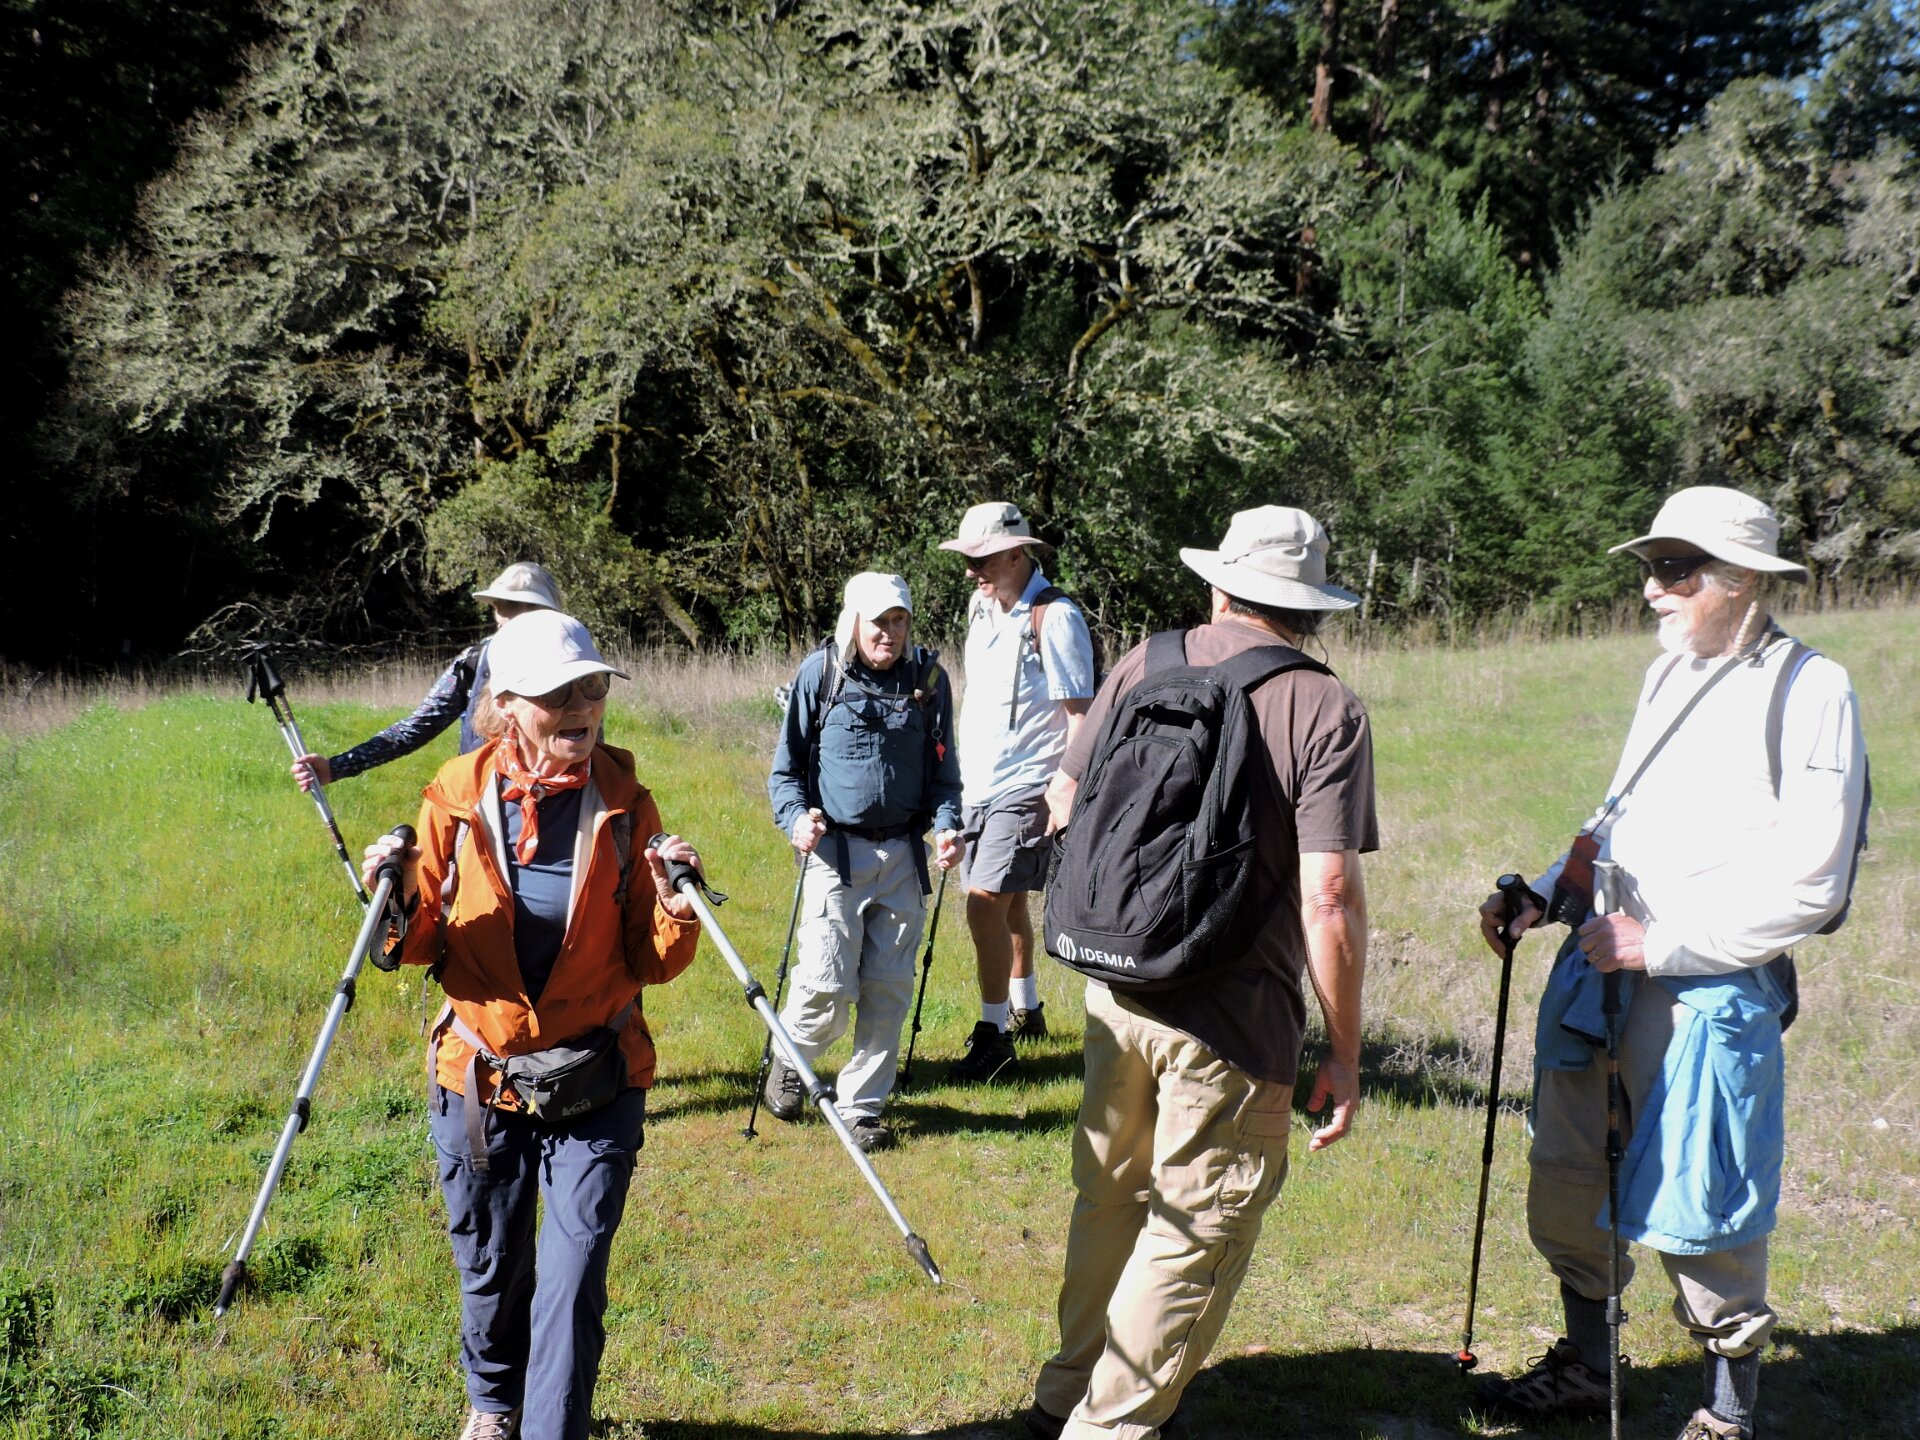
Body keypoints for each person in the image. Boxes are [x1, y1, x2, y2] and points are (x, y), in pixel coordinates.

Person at [1474, 486, 1869, 1440]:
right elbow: (1619, 818)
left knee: (1707, 1205)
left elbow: (1816, 889)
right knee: (1568, 1183)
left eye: (1674, 570)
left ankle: (1725, 1417)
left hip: (1707, 996)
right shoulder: (1667, 674)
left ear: (1740, 579)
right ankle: (1585, 1368)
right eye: (1651, 568)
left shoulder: (1813, 690)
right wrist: (1547, 893)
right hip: (1600, 976)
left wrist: (1664, 943)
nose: (1652, 589)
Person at [1027, 505, 1377, 1439]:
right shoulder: (1325, 707)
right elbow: (1329, 895)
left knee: (1108, 1198)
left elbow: (1063, 800)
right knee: (1194, 1232)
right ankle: (1107, 1430)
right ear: (1312, 608)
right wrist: (1343, 1053)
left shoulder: (1146, 662)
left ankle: (1064, 1394)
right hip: (1233, 1020)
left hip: (1119, 989)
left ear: (1220, 586)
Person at [361, 607, 705, 1440]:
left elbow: (652, 960)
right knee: (491, 1263)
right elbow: (418, 943)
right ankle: (493, 1403)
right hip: (481, 1076)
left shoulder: (626, 803)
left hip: (596, 1073)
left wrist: (674, 905)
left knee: (572, 1276)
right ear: (506, 705)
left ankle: (553, 1429)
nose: (582, 706)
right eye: (559, 694)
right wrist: (395, 897)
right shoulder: (455, 796)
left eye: (593, 687)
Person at [762, 572, 966, 1152]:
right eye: (878, 621)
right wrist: (796, 819)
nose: (889, 633)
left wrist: (947, 827)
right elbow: (785, 772)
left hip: (903, 856)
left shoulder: (929, 680)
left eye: (899, 621)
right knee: (824, 987)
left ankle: (862, 1107)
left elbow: (946, 776)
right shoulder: (820, 674)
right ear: (853, 622)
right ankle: (789, 1057)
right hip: (835, 855)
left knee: (888, 989)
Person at [938, 501, 1096, 1081]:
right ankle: (1027, 1010)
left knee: (983, 904)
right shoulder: (980, 607)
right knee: (1009, 905)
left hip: (1029, 785)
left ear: (1015, 553)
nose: (971, 570)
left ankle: (994, 1038)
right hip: (977, 783)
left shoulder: (1056, 617)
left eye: (981, 558)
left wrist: (1065, 789)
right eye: (967, 558)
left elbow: (1081, 715)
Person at [293, 561, 563, 791]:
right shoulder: (474, 662)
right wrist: (336, 767)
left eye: (526, 606)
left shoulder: (573, 666)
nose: (513, 615)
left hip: (560, 801)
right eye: (506, 605)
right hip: (482, 803)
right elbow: (416, 728)